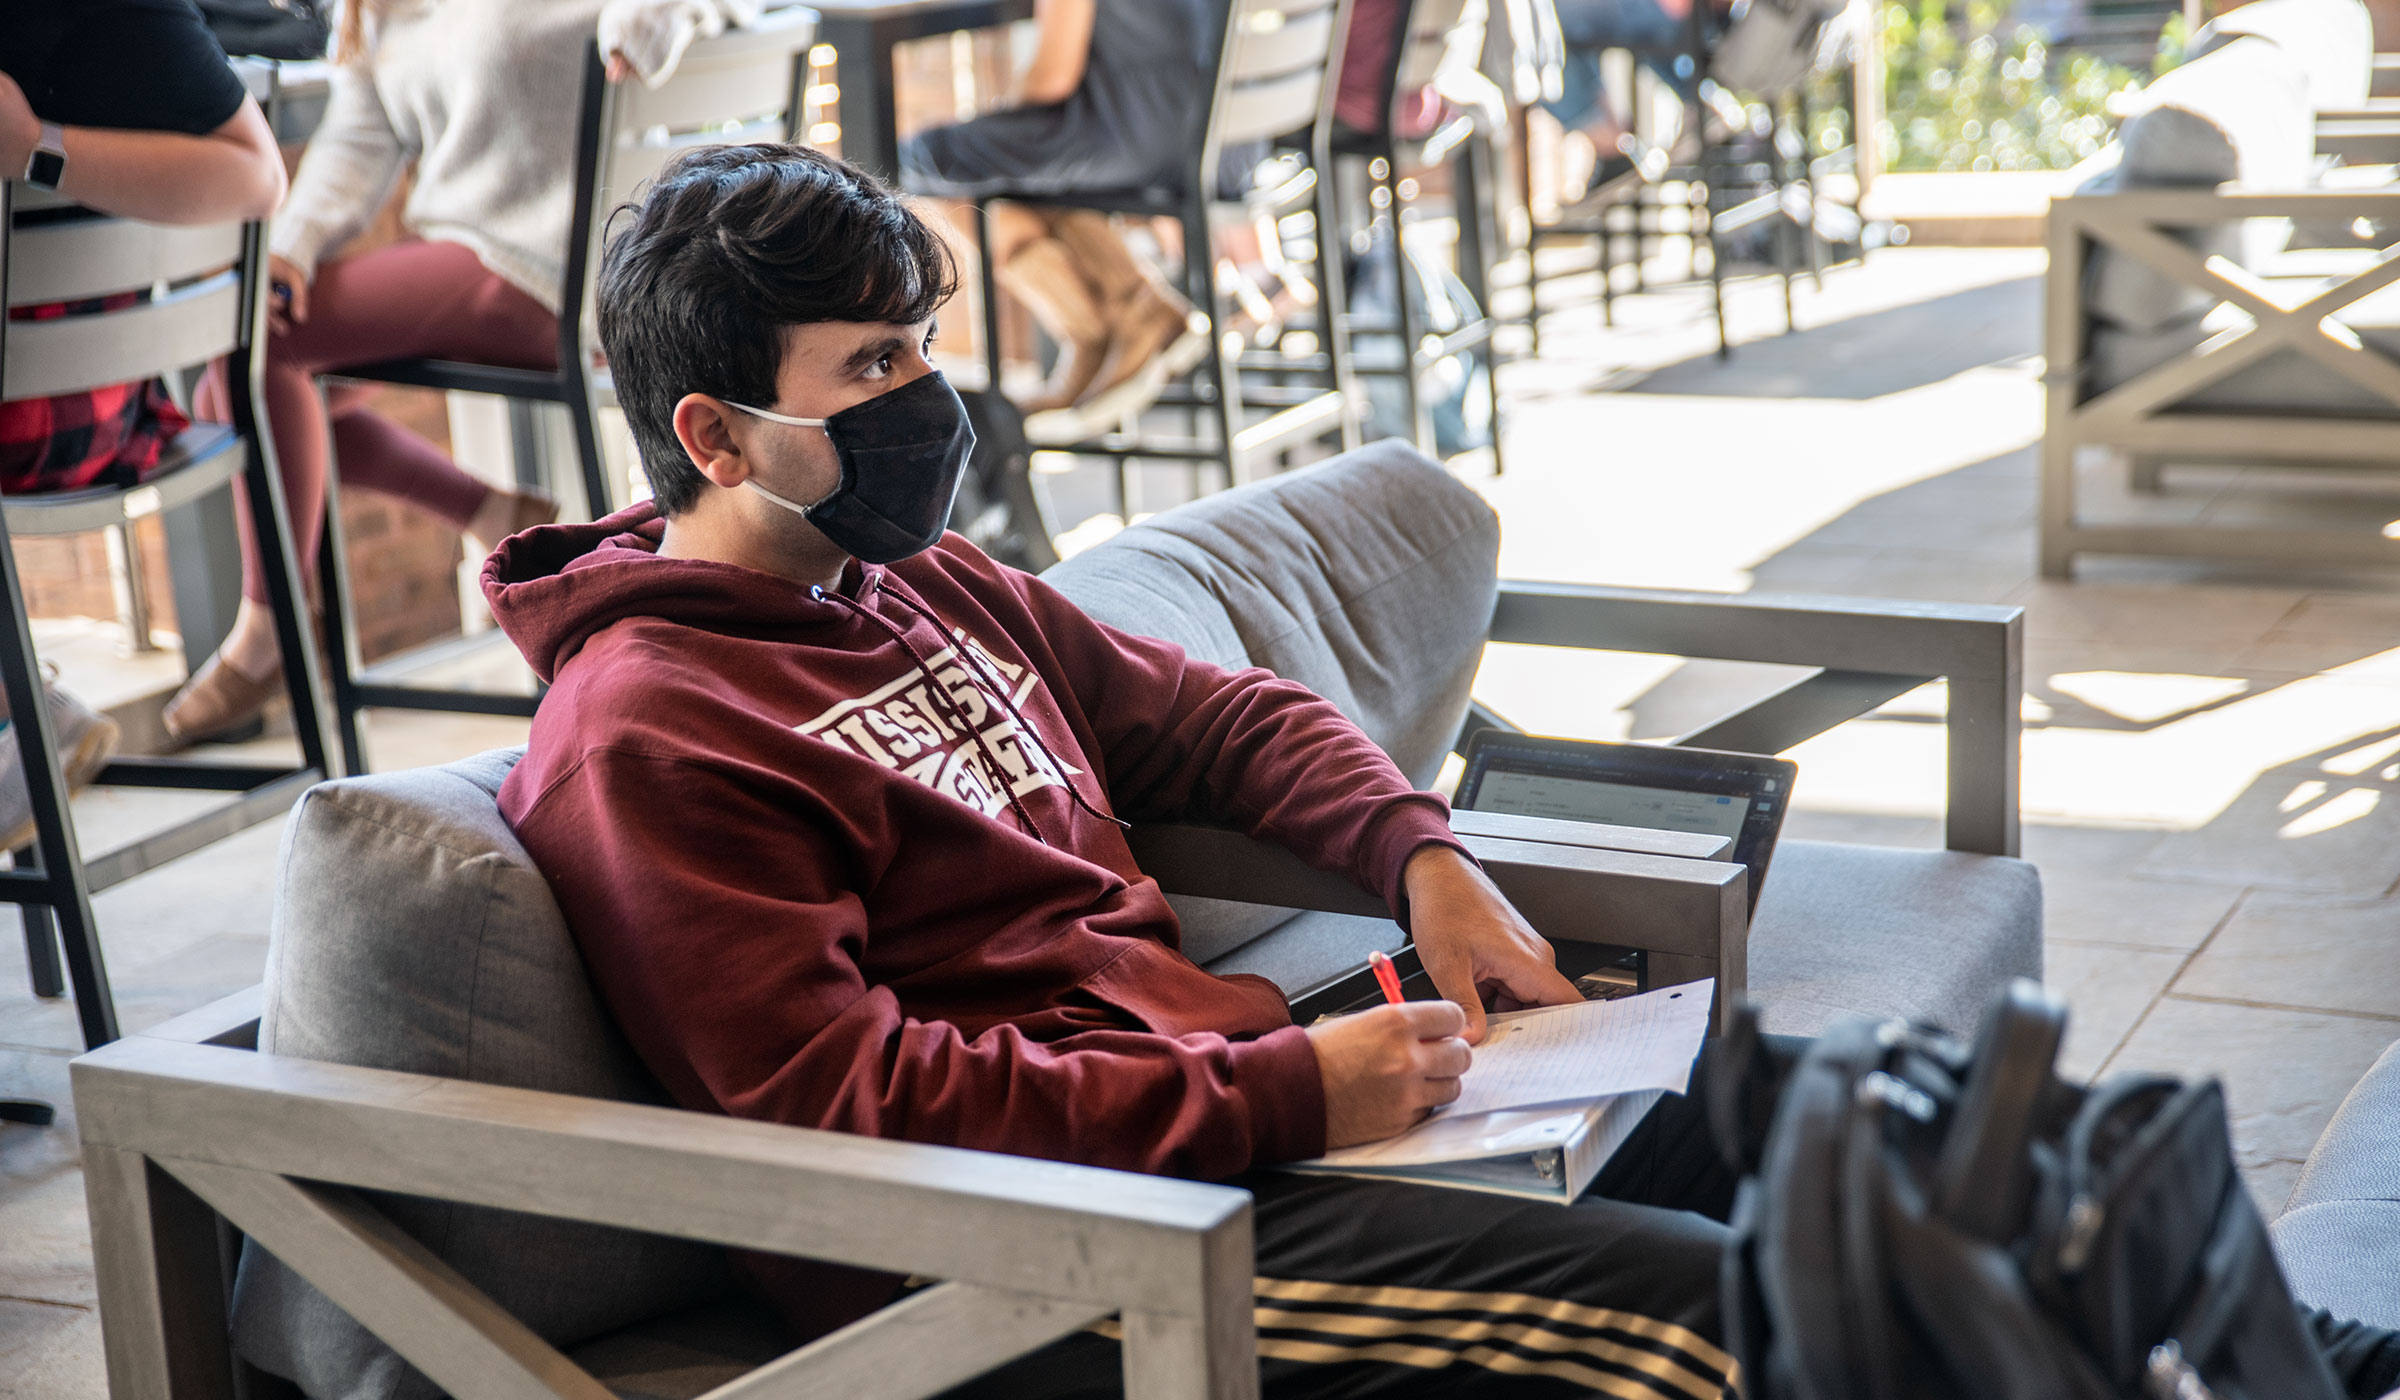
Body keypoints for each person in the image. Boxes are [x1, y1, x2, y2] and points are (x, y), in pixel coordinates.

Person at [485, 141, 1742, 1398]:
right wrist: (1286, 1098)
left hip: (1199, 1125)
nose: (932, 393)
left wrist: (1424, 857)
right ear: (716, 437)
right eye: (874, 361)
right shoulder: (650, 732)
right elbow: (845, 1106)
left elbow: (1220, 720)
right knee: (1706, 1310)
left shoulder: (924, 579)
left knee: (1770, 1105)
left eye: (922, 341)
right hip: (1030, 1255)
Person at [157, 0, 713, 741]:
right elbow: (357, 139)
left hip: (552, 269)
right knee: (239, 386)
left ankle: (268, 634)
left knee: (253, 358)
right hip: (481, 259)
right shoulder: (374, 10)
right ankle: (489, 514)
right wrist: (293, 244)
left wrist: (653, 15)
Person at [0, 0, 292, 848]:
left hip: (53, 407)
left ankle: (23, 720)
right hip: (84, 397)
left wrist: (35, 151)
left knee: (303, 356)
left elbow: (257, 177)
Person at [897, 0, 1210, 438]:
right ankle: (1127, 316)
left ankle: (1099, 327)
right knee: (1019, 169)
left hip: (1138, 131)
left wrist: (1003, 122)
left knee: (918, 161)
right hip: (1219, 133)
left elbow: (1052, 79)